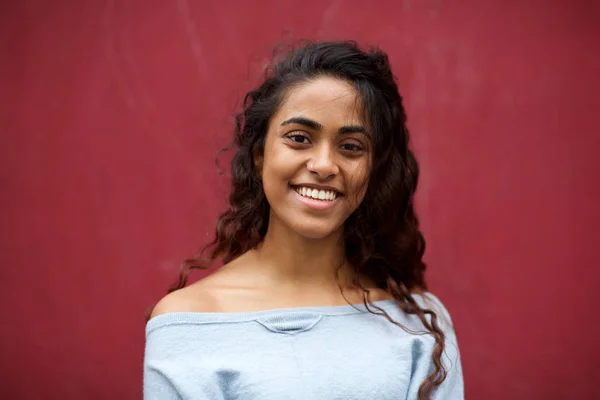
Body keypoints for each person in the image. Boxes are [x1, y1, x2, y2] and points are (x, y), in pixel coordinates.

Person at [143, 40, 464, 400]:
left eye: (351, 146)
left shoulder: (420, 325)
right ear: (260, 155)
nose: (324, 165)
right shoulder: (189, 323)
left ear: (373, 171)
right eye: (299, 138)